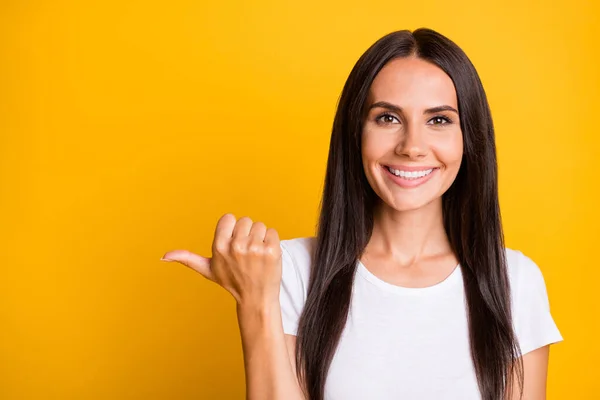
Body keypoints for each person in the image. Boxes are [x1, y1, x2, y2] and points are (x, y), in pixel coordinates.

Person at [161, 28, 563, 400]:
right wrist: (256, 302)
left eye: (439, 120)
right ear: (355, 133)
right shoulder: (292, 272)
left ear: (469, 138)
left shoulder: (515, 283)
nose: (412, 146)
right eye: (388, 118)